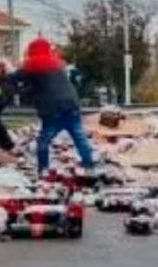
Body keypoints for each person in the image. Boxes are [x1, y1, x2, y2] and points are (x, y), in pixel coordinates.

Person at [8, 37, 94, 175]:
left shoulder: (32, 64)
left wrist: (14, 77)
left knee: (44, 140)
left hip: (52, 108)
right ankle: (89, 165)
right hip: (72, 105)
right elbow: (44, 84)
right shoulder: (57, 64)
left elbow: (13, 79)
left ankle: (43, 169)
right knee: (79, 136)